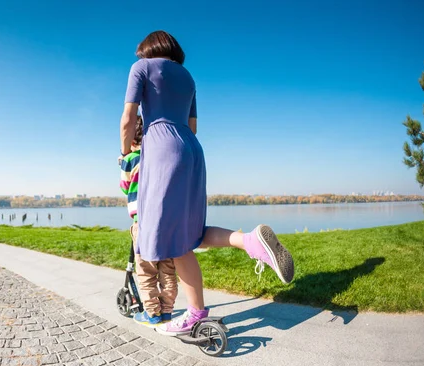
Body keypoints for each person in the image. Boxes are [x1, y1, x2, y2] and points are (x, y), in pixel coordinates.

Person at [120, 31, 295, 336]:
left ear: (148, 50)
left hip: (161, 151)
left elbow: (128, 119)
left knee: (175, 238)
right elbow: (193, 127)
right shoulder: (188, 78)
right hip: (191, 151)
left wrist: (125, 154)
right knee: (191, 234)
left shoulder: (142, 68)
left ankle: (196, 313)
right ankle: (250, 241)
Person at [120, 115, 177, 327]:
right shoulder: (159, 157)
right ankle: (167, 311)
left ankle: (152, 313)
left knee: (145, 270)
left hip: (143, 221)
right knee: (167, 269)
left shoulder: (129, 159)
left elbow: (125, 186)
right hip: (165, 220)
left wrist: (124, 160)